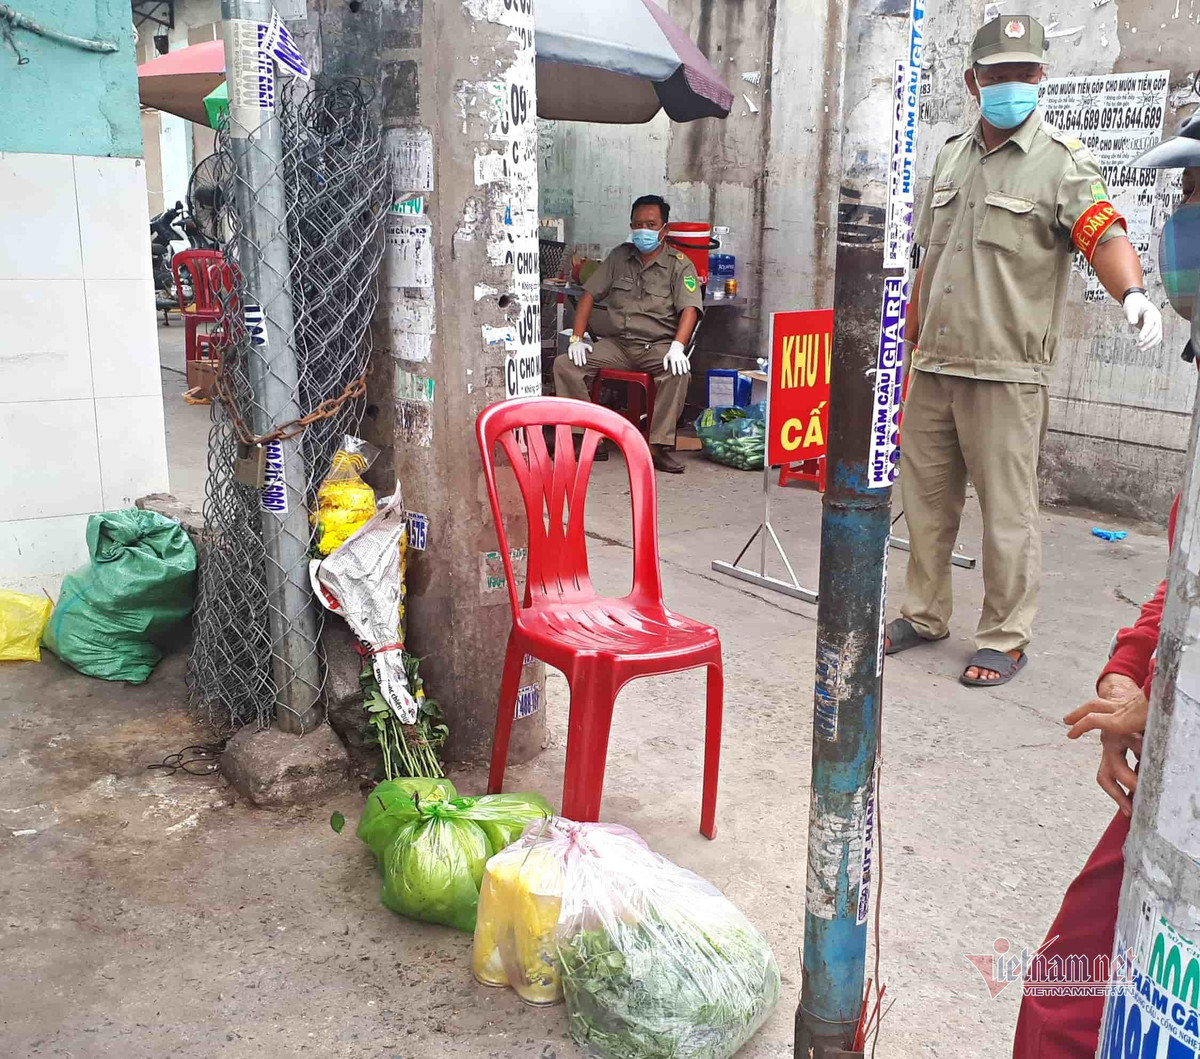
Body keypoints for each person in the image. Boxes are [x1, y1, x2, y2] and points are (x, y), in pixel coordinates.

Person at [886, 14, 1164, 687]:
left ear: (1041, 78)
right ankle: (924, 613)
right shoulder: (950, 156)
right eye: (997, 75)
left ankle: (1006, 636)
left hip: (1006, 372)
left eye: (1023, 73)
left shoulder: (1062, 163)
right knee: (926, 503)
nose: (1011, 85)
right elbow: (931, 260)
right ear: (971, 80)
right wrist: (908, 348)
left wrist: (1132, 293)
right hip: (935, 365)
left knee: (1006, 514)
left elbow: (1102, 233)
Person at [1012, 156, 1200, 1058]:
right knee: (1070, 992)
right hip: (1174, 775)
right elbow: (1190, 572)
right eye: (1187, 200)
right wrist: (1131, 668)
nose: (1181, 230)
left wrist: (1157, 707)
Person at [553, 194, 704, 474]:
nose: (643, 230)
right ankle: (588, 439)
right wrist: (577, 338)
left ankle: (657, 447)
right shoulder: (620, 256)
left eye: (650, 224)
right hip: (618, 347)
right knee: (565, 364)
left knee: (679, 372)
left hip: (657, 347)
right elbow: (588, 294)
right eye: (637, 224)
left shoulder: (679, 264)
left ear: (664, 229)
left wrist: (677, 347)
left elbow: (690, 309)